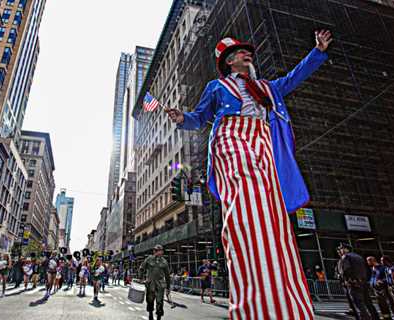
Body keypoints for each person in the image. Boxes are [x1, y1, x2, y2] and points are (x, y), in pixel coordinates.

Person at [165, 30, 333, 319]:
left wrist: (317, 51)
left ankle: (281, 301)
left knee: (272, 213)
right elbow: (200, 116)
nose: (248, 54)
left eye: (248, 52)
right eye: (242, 52)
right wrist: (183, 119)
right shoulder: (217, 87)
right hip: (232, 137)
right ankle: (251, 294)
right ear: (230, 61)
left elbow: (295, 77)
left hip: (263, 140)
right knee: (246, 202)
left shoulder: (266, 87)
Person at [336, 243, 379, 320]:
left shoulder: (346, 257)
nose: (340, 250)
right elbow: (367, 270)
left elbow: (346, 270)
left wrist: (345, 279)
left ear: (346, 249)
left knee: (358, 305)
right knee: (368, 303)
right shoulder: (359, 257)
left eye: (341, 249)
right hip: (363, 283)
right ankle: (375, 317)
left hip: (353, 283)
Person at [139, 245, 171, 320]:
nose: (156, 252)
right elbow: (142, 268)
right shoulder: (149, 259)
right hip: (150, 283)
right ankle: (150, 314)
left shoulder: (164, 262)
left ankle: (159, 317)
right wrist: (141, 278)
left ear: (162, 252)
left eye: (158, 250)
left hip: (160, 284)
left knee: (159, 302)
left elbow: (167, 275)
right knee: (150, 300)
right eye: (155, 250)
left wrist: (168, 288)